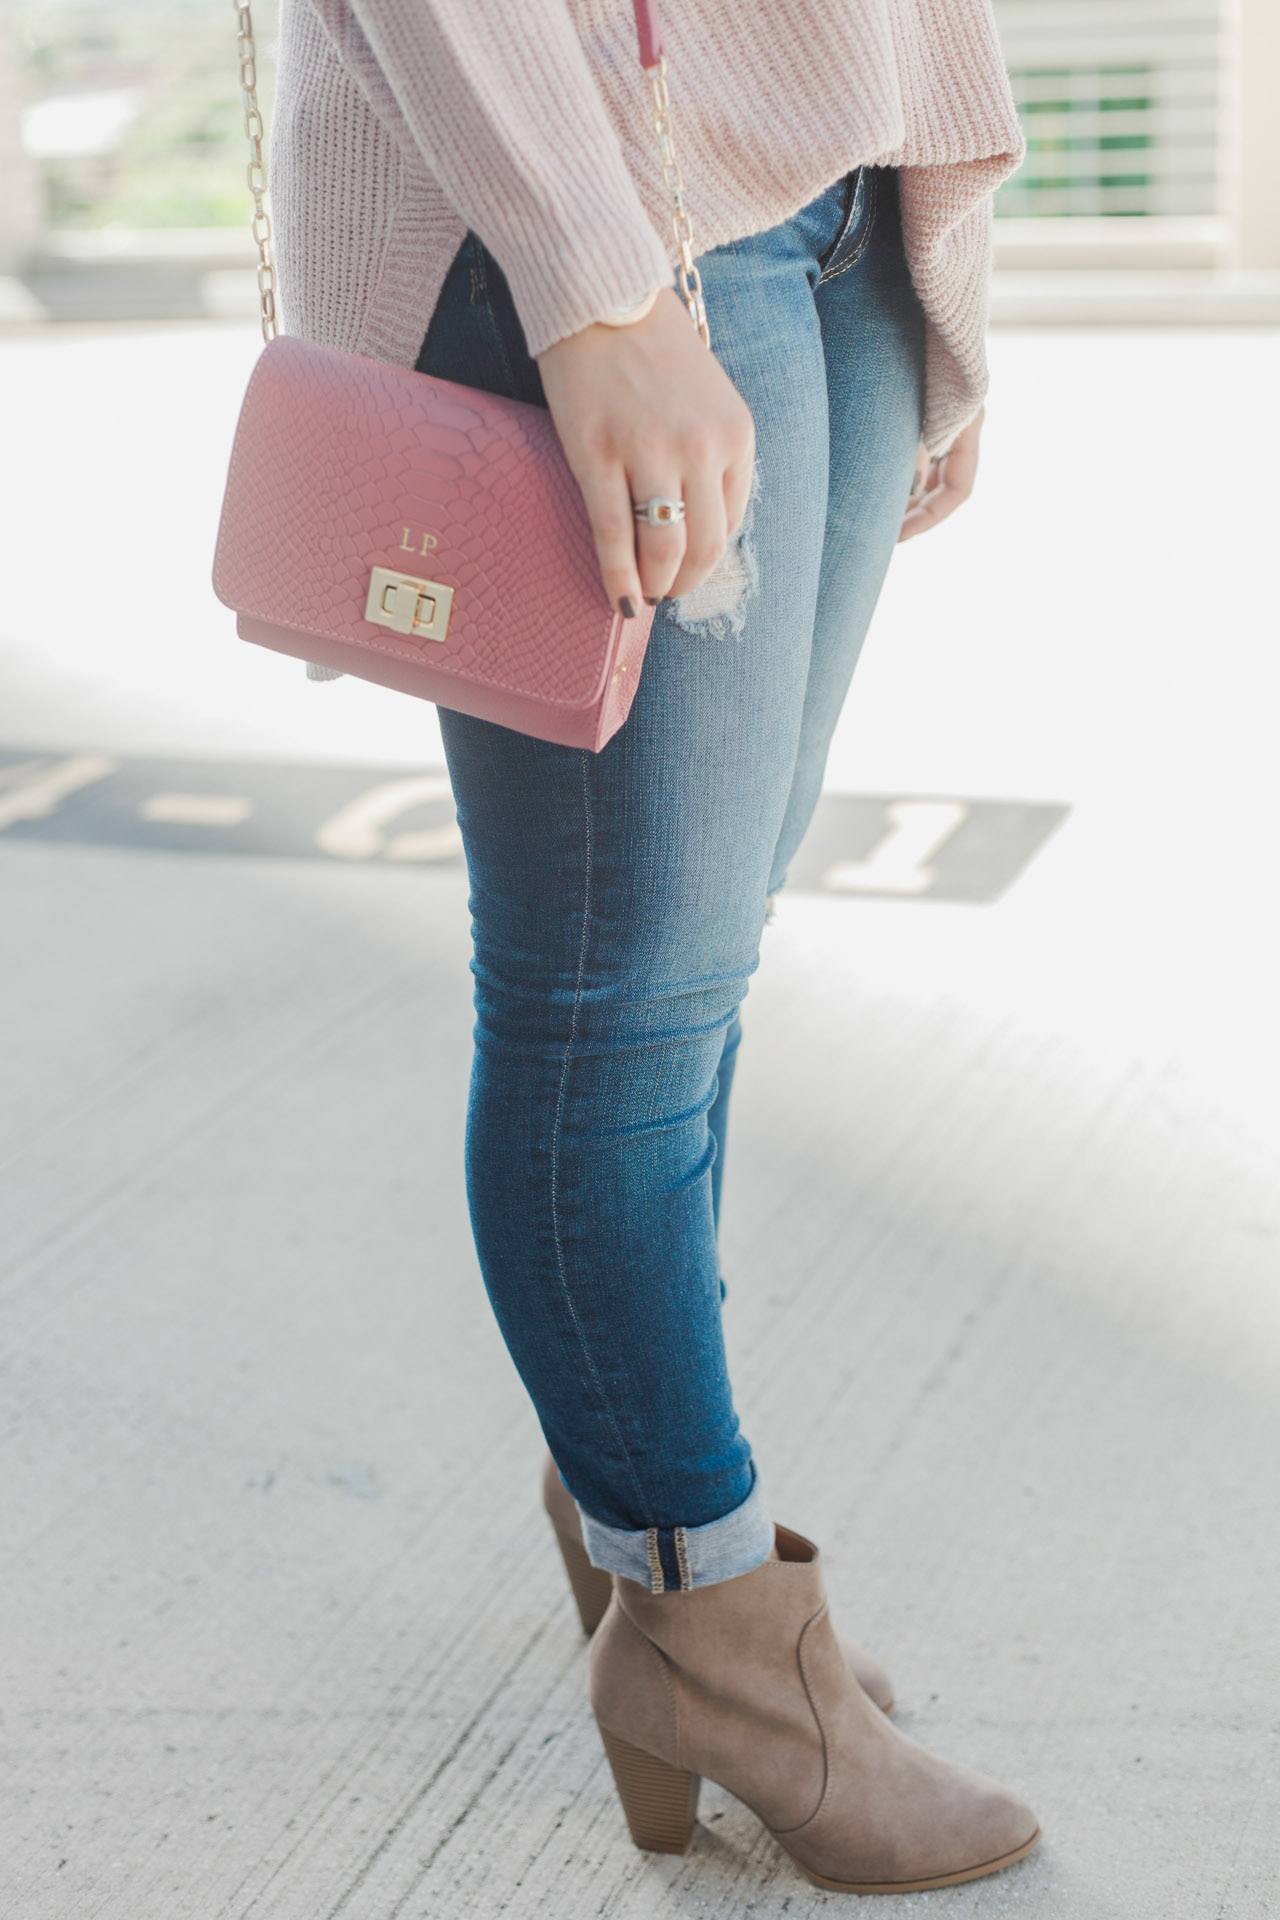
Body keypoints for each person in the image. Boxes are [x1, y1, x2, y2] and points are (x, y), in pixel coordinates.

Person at [271, 0, 1039, 1892]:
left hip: (834, 188)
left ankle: (633, 1508)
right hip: (596, 205)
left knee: (700, 946)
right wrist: (591, 288)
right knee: (617, 994)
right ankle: (709, 1626)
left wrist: (941, 245)